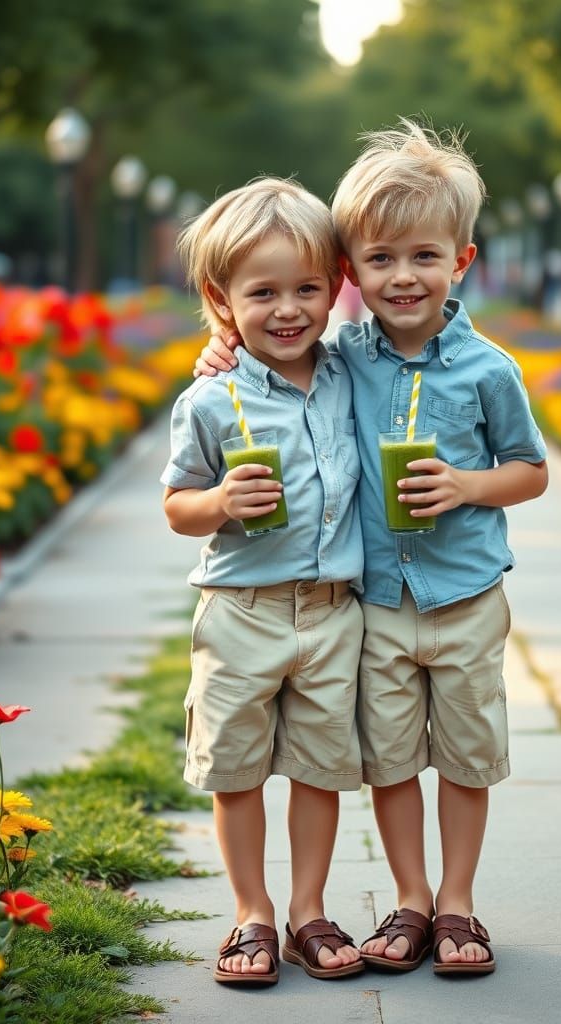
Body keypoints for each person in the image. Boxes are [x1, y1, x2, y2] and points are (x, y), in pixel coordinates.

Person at [197, 120, 549, 976]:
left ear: (461, 262)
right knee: (391, 758)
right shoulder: (342, 355)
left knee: (464, 755)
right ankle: (411, 900)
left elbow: (530, 471)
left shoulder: (489, 368)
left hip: (465, 598)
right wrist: (222, 348)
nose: (404, 277)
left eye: (425, 257)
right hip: (379, 604)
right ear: (352, 270)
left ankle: (458, 903)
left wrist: (469, 485)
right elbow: (271, 350)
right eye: (382, 258)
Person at [162, 177, 366, 985]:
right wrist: (217, 502)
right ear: (222, 299)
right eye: (262, 293)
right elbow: (176, 505)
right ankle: (251, 913)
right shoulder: (211, 398)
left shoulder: (352, 372)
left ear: (336, 286)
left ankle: (308, 909)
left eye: (307, 289)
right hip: (240, 611)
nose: (288, 309)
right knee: (237, 769)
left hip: (329, 613)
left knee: (320, 767)